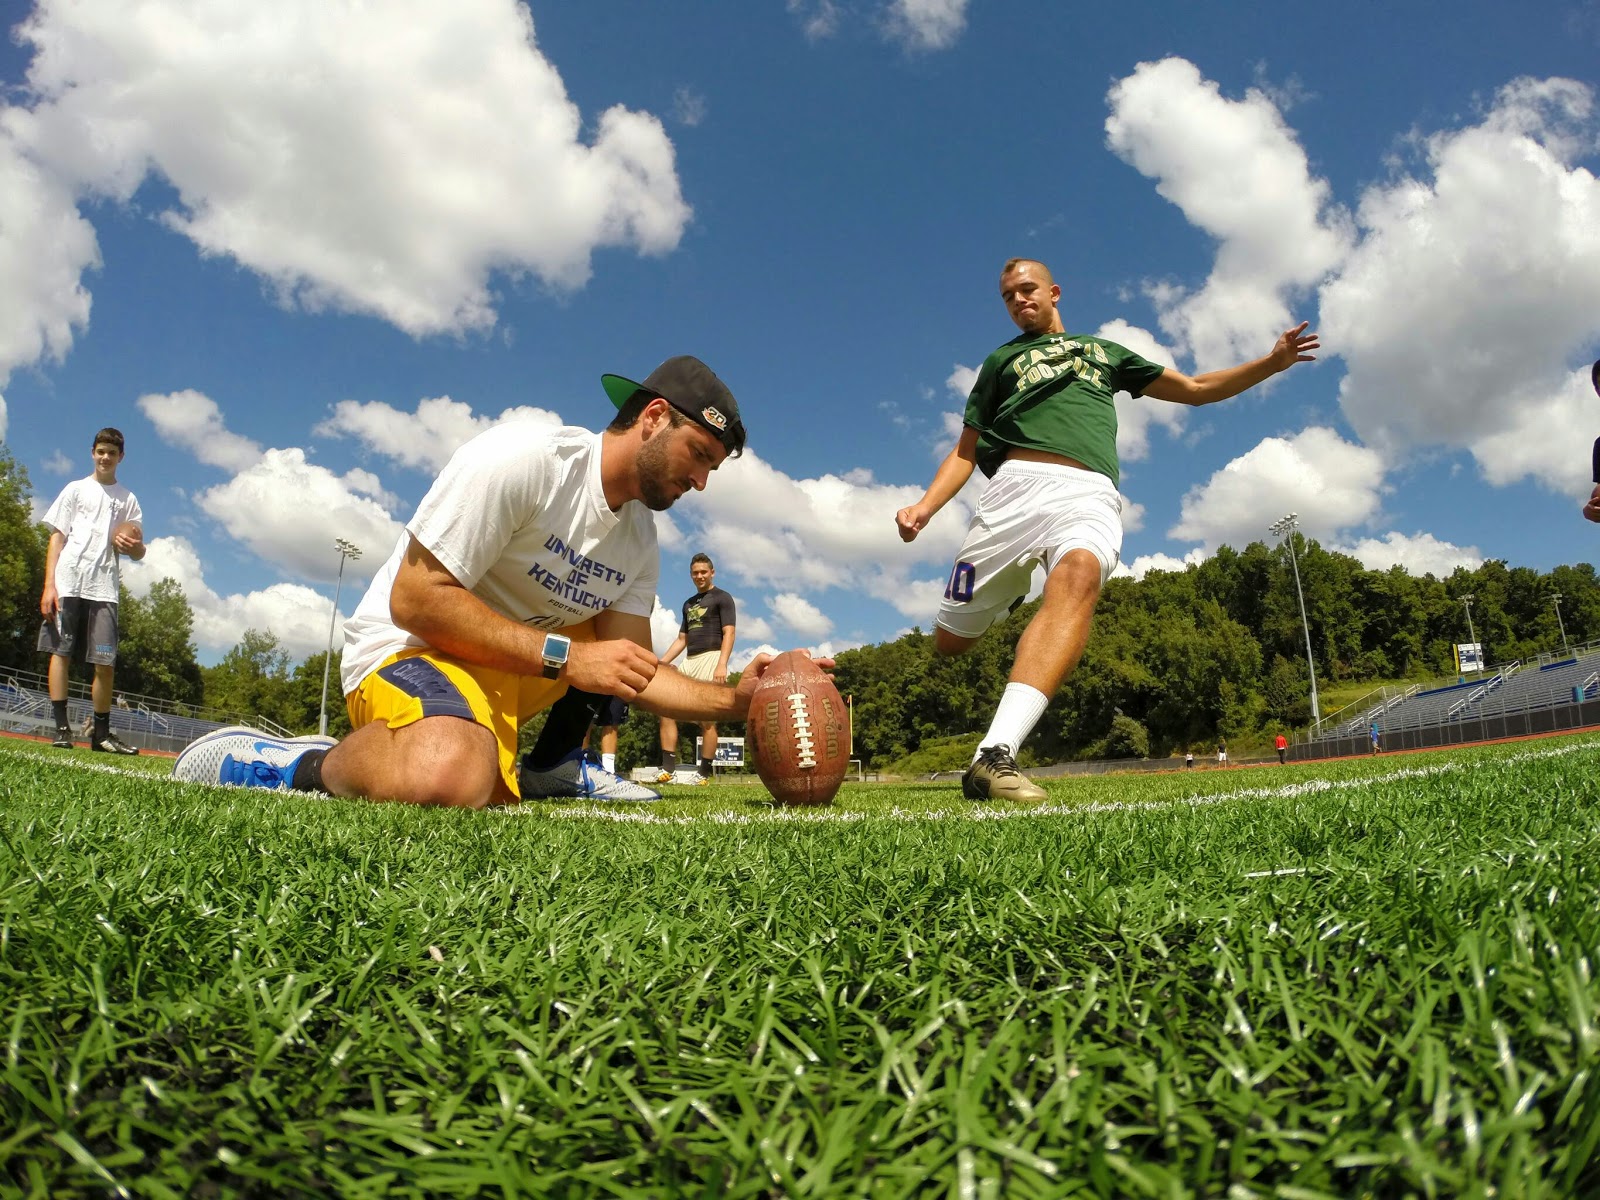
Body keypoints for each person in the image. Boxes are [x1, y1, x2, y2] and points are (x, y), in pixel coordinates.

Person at [173, 356, 785, 809]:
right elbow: (413, 599)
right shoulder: (525, 460)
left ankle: (553, 766)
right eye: (700, 455)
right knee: (445, 775)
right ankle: (290, 763)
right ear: (654, 419)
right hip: (405, 649)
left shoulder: (639, 540)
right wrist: (569, 657)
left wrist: (741, 700)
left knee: (475, 778)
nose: (702, 481)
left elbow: (634, 670)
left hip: (504, 676)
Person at [896, 258, 1318, 801]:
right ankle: (1007, 595)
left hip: (1088, 492)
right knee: (951, 642)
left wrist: (1272, 363)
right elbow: (966, 449)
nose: (1019, 301)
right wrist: (926, 506)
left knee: (1078, 576)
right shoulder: (1001, 360)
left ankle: (993, 754)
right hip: (1011, 492)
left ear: (1054, 291)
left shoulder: (1103, 352)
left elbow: (1193, 387)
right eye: (1008, 296)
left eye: (1028, 290)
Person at [38, 427, 144, 754]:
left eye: (112, 453)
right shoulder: (75, 489)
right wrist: (48, 585)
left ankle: (100, 735)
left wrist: (133, 546)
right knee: (61, 652)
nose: (105, 457)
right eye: (101, 451)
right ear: (92, 452)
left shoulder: (128, 499)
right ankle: (61, 729)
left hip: (104, 586)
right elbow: (57, 537)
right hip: (68, 578)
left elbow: (139, 551)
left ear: (121, 457)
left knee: (105, 663)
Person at [655, 552, 736, 784]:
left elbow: (729, 632)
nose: (699, 576)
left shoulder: (723, 598)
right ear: (691, 575)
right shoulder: (688, 604)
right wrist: (661, 663)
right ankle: (667, 769)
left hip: (712, 658)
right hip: (689, 660)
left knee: (706, 718)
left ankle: (703, 773)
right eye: (695, 573)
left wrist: (722, 663)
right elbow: (682, 639)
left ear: (712, 572)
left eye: (703, 572)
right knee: (666, 709)